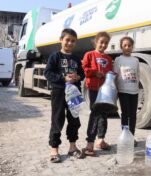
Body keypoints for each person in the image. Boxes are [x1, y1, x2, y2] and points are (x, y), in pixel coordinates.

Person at [44, 28, 85, 163]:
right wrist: (63, 78)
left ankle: (72, 147)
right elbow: (48, 73)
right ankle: (54, 149)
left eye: (73, 41)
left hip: (74, 94)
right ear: (61, 40)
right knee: (57, 120)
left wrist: (77, 76)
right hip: (59, 93)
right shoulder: (55, 56)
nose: (70, 43)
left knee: (74, 120)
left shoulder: (76, 59)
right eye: (67, 40)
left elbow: (82, 74)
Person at [81, 31, 113, 156]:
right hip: (94, 89)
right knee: (95, 114)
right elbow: (84, 69)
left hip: (105, 91)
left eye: (106, 43)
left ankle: (101, 140)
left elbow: (110, 72)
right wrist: (95, 72)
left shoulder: (108, 58)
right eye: (101, 42)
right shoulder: (89, 55)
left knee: (104, 114)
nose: (103, 45)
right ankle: (90, 144)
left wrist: (111, 76)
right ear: (95, 42)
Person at [113, 36, 140, 147]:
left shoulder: (136, 60)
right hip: (123, 91)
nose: (127, 47)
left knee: (133, 115)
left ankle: (131, 137)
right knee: (125, 114)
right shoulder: (119, 60)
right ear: (121, 47)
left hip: (134, 91)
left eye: (129, 45)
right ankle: (125, 136)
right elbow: (115, 75)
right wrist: (114, 89)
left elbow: (138, 74)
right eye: (125, 45)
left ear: (132, 47)